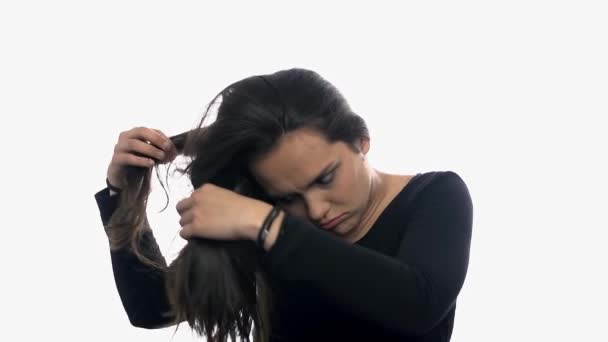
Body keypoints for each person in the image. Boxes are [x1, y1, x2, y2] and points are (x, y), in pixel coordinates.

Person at [94, 68, 473, 342]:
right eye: (288, 197)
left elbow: (418, 304)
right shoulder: (260, 216)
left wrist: (268, 223)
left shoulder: (435, 196)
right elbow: (150, 307)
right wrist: (121, 194)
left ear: (362, 141)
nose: (317, 210)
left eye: (325, 178)